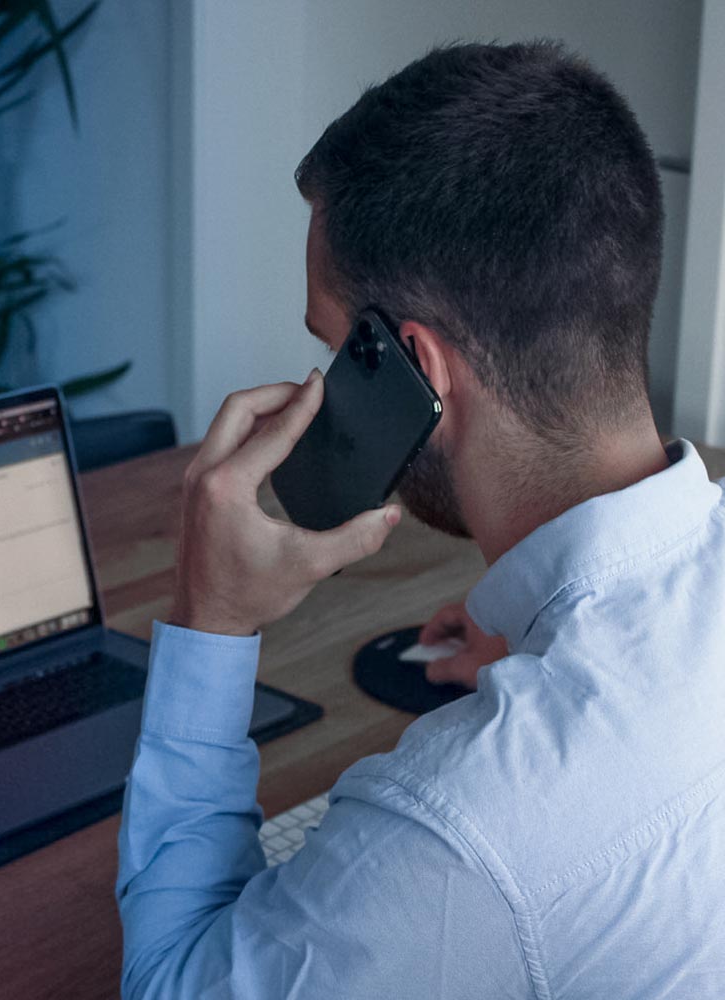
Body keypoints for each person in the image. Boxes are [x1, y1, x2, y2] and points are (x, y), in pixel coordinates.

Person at [116, 41, 725, 998]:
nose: (321, 384)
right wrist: (540, 651)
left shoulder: (463, 828)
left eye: (331, 346)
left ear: (420, 372)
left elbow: (172, 983)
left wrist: (211, 624)